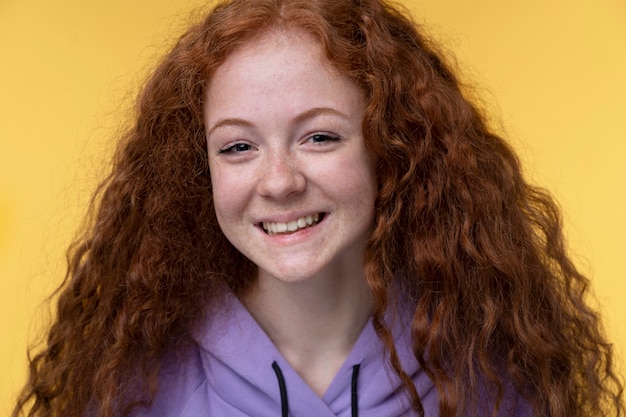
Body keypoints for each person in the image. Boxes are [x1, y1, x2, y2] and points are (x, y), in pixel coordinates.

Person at [12, 0, 624, 416]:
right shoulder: (135, 386)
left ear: (393, 146)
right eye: (238, 147)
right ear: (200, 170)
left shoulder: (487, 372)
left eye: (320, 136)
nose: (277, 181)